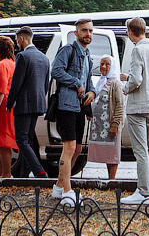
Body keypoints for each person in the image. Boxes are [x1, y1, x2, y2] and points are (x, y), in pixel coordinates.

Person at [50, 19, 95, 205]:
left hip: (80, 107)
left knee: (77, 149)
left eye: (91, 30)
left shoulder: (88, 55)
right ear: (76, 33)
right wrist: (76, 83)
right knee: (68, 147)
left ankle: (59, 186)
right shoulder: (68, 50)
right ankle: (67, 191)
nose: (88, 34)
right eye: (84, 30)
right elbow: (56, 70)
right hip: (66, 106)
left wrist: (92, 92)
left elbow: (88, 80)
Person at [120, 16, 149, 206]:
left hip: (138, 106)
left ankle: (143, 191)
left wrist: (125, 87)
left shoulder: (138, 50)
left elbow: (137, 79)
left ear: (131, 32)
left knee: (141, 150)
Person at [6, 26, 51, 179]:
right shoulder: (44, 58)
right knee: (29, 139)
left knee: (21, 140)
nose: (17, 43)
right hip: (38, 104)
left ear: (21, 39)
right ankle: (24, 174)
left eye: (17, 40)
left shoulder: (23, 57)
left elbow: (16, 83)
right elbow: (46, 84)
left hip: (24, 104)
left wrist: (9, 103)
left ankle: (40, 171)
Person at [88, 55, 124, 182]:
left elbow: (120, 105)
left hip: (110, 124)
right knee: (106, 152)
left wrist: (115, 124)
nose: (103, 67)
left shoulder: (115, 83)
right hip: (100, 125)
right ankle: (109, 178)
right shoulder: (102, 82)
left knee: (113, 153)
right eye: (102, 64)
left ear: (112, 66)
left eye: (107, 64)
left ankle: (112, 179)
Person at [0, 36, 18, 178]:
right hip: (10, 105)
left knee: (3, 142)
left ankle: (6, 174)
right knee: (1, 142)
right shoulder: (12, 63)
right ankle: (0, 174)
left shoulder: (2, 65)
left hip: (3, 106)